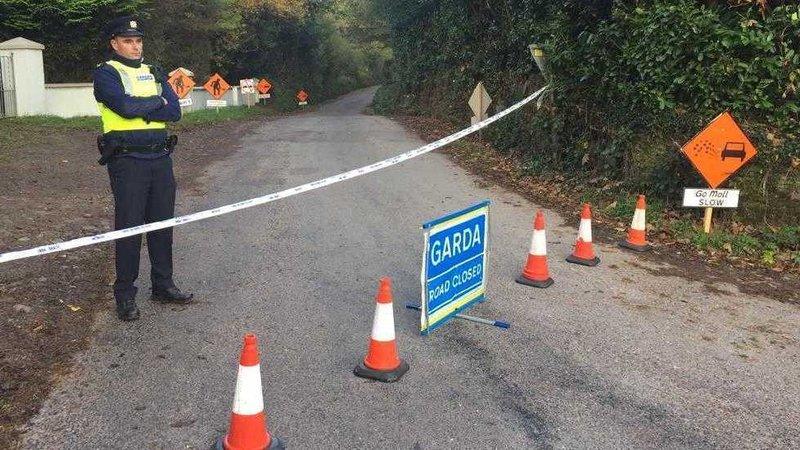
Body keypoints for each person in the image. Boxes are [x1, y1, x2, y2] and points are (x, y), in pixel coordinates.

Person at [93, 16, 193, 321]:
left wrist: (148, 104)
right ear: (114, 43)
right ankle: (125, 295)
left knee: (162, 225)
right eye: (127, 41)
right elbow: (123, 107)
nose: (134, 46)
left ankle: (163, 286)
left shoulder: (155, 71)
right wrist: (157, 101)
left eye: (138, 41)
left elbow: (174, 111)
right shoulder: (107, 74)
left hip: (160, 159)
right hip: (127, 162)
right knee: (130, 228)